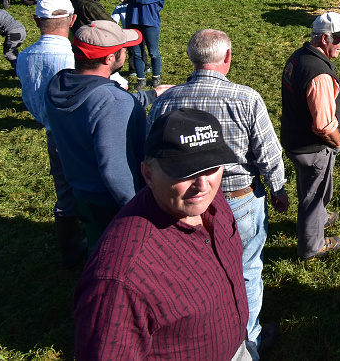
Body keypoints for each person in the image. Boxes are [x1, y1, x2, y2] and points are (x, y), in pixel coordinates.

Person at [149, 29, 289, 359]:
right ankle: (247, 339)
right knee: (247, 270)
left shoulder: (166, 100)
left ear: (192, 58)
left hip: (182, 205)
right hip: (239, 200)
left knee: (192, 275)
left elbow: (151, 152)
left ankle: (202, 338)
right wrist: (278, 189)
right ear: (227, 58)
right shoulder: (246, 98)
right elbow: (268, 153)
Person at [73, 108, 249, 360]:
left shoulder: (207, 198)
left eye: (210, 167)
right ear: (148, 174)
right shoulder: (119, 280)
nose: (202, 184)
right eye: (185, 171)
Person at [45, 20, 163, 250]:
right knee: (116, 256)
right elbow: (115, 169)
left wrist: (150, 95)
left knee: (97, 242)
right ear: (110, 59)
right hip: (111, 201)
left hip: (81, 192)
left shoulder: (59, 84)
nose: (126, 51)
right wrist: (137, 207)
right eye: (123, 49)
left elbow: (98, 104)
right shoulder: (112, 101)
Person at [281, 12, 340, 262]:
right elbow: (324, 126)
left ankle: (321, 218)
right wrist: (337, 142)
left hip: (295, 139)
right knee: (313, 196)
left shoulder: (298, 57)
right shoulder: (319, 74)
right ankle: (311, 245)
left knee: (311, 187)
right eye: (339, 39)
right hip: (313, 147)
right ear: (324, 38)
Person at [15, 0, 85, 267]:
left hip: (52, 132)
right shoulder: (73, 57)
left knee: (64, 189)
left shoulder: (24, 58)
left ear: (35, 20)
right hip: (79, 131)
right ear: (72, 20)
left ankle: (69, 249)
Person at [119, 0, 165, 90]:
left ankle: (156, 77)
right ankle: (141, 79)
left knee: (153, 52)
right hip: (133, 24)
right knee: (137, 54)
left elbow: (142, 0)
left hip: (150, 24)